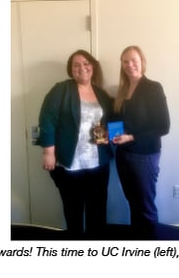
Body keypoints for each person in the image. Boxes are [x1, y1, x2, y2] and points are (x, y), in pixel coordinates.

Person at [36, 49, 113, 239]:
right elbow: (47, 120)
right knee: (73, 211)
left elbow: (108, 122)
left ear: (93, 66)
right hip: (70, 163)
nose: (82, 68)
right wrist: (48, 152)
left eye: (86, 63)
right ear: (71, 70)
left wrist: (112, 134)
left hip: (98, 163)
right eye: (76, 65)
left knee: (98, 210)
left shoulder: (101, 94)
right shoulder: (61, 90)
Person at [112, 45, 170, 239]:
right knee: (133, 201)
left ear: (142, 62)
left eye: (133, 60)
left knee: (145, 205)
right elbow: (117, 121)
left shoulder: (153, 88)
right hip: (123, 154)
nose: (130, 65)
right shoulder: (122, 90)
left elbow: (163, 126)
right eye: (125, 61)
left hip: (144, 155)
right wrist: (110, 133)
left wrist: (132, 136)